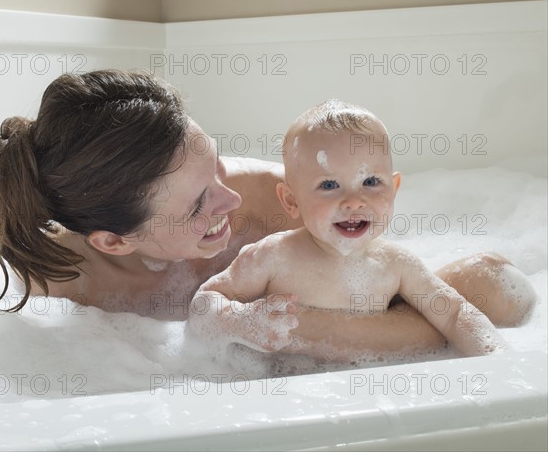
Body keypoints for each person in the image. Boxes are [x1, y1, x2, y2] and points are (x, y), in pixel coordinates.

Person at [0, 70, 535, 359]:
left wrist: (298, 331)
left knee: (490, 283)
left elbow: (398, 294)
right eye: (198, 206)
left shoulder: (277, 201)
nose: (230, 200)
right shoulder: (59, 284)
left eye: (215, 165)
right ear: (114, 242)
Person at [188, 100, 519, 361]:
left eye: (371, 182)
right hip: (288, 395)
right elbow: (204, 304)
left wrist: (500, 361)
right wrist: (241, 321)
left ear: (394, 188)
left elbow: (455, 315)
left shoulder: (396, 263)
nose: (354, 201)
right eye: (329, 185)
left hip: (375, 394)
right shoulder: (273, 256)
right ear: (291, 201)